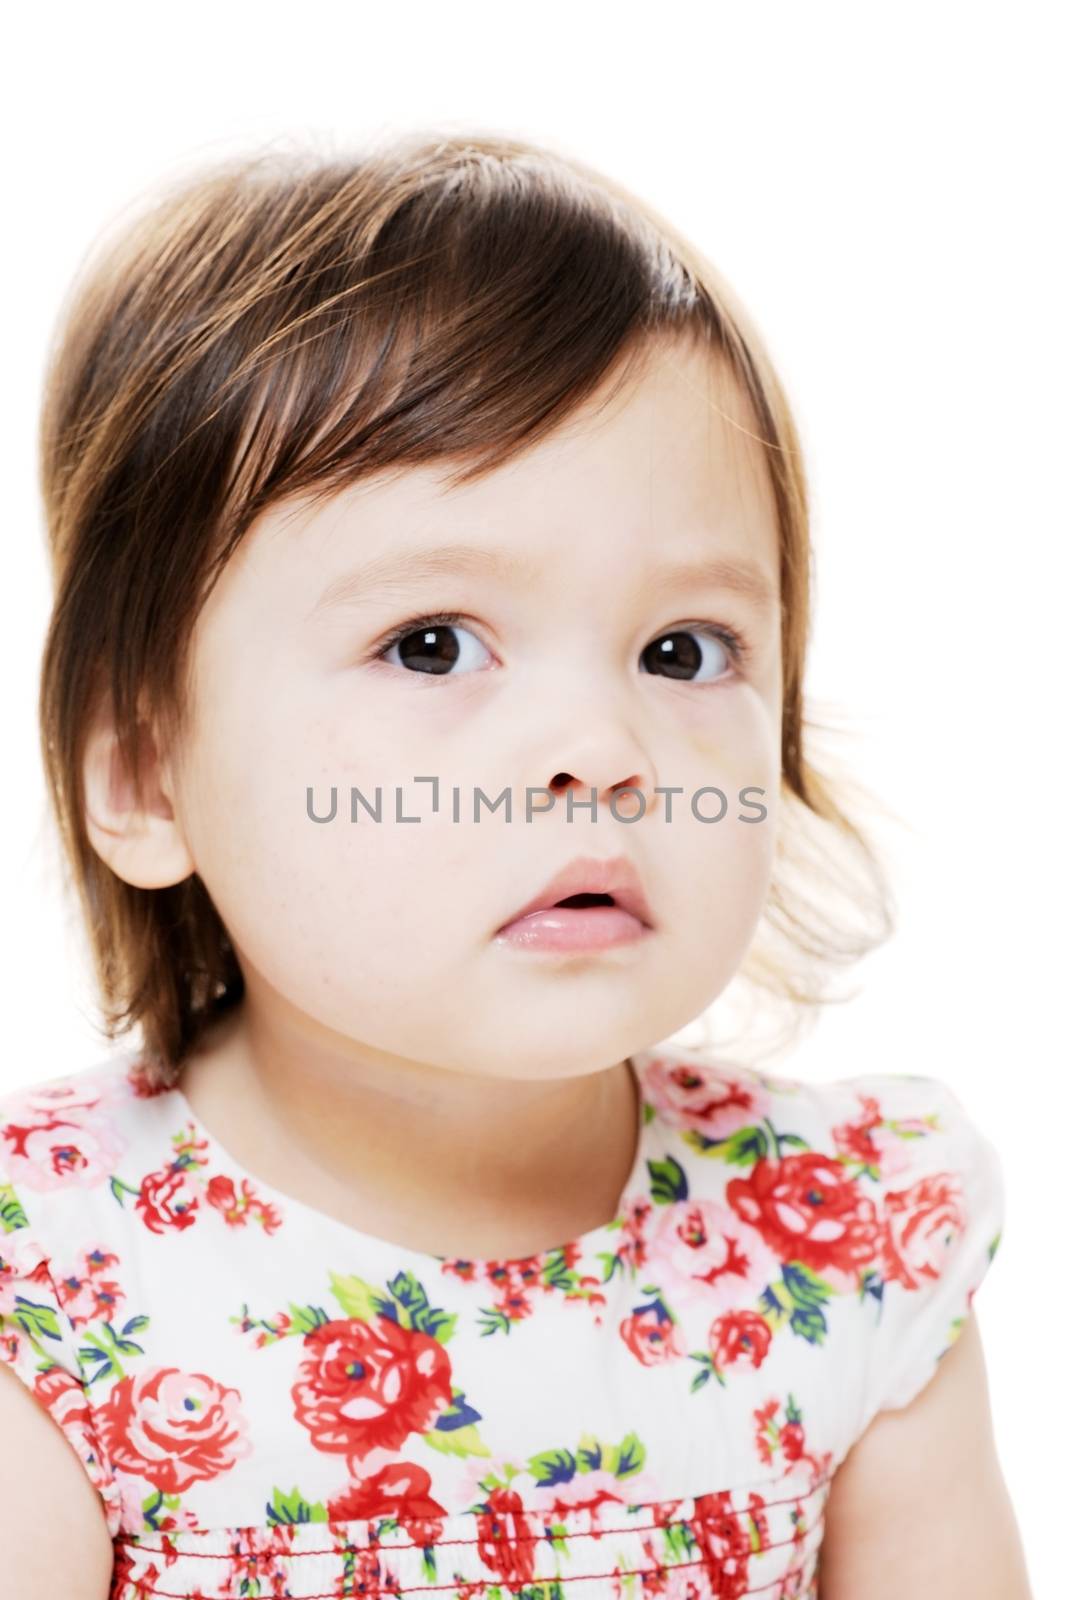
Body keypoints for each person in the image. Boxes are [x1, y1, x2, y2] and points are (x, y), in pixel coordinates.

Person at [0, 131, 1030, 1598]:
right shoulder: (51, 1280)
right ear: (145, 771)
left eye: (683, 650)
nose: (599, 746)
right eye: (430, 644)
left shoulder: (846, 1238)